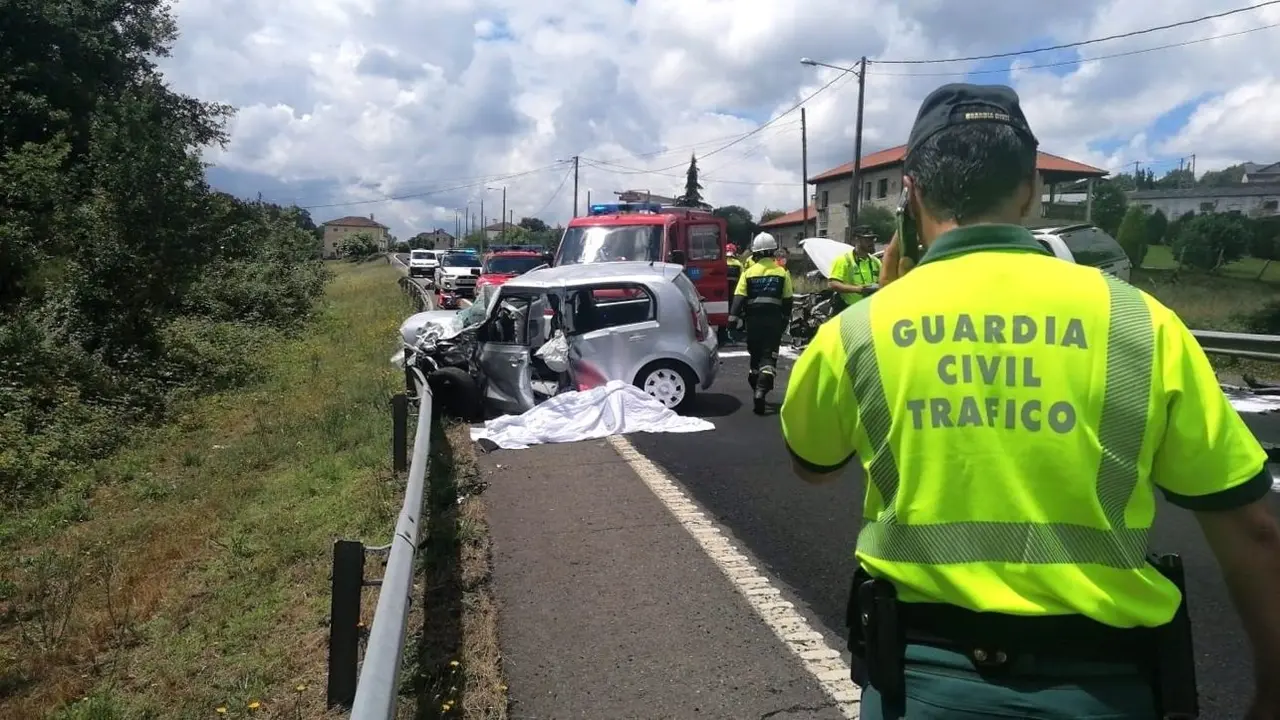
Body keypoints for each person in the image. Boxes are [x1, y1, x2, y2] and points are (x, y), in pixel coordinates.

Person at [779, 82, 1280, 719]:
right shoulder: (1142, 324)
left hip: (920, 687)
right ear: (1031, 188)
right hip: (1107, 689)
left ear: (910, 193)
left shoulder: (855, 332)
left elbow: (813, 464)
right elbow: (1252, 529)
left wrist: (887, 297)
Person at [729, 232, 793, 415]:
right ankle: (761, 390)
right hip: (773, 322)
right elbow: (788, 301)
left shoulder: (748, 273)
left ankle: (755, 379)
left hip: (753, 322)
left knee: (755, 356)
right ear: (773, 252)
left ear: (755, 253)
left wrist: (732, 321)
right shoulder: (782, 273)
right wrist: (785, 321)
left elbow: (739, 298)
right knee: (769, 357)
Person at [828, 227, 882, 312]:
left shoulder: (876, 261)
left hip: (870, 309)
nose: (871, 242)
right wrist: (859, 289)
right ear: (856, 240)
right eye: (867, 239)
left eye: (873, 239)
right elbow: (833, 284)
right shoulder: (844, 260)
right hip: (849, 310)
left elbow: (884, 281)